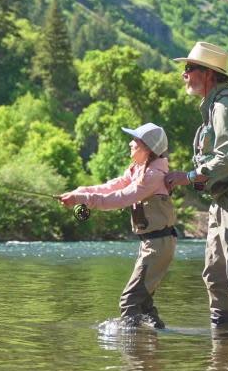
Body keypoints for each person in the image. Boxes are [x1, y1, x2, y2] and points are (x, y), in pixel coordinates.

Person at [164, 42, 228, 336]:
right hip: (222, 198)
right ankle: (222, 344)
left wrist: (187, 176)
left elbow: (227, 159)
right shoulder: (215, 106)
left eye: (189, 69)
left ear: (208, 73)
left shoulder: (227, 106)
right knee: (215, 273)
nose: (184, 75)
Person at [60, 123, 177, 329]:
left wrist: (83, 198)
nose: (131, 144)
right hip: (152, 243)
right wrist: (80, 191)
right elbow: (112, 186)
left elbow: (122, 198)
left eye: (135, 141)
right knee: (144, 303)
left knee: (130, 300)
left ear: (147, 148)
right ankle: (152, 347)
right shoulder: (139, 169)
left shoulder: (152, 176)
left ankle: (132, 351)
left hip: (158, 245)